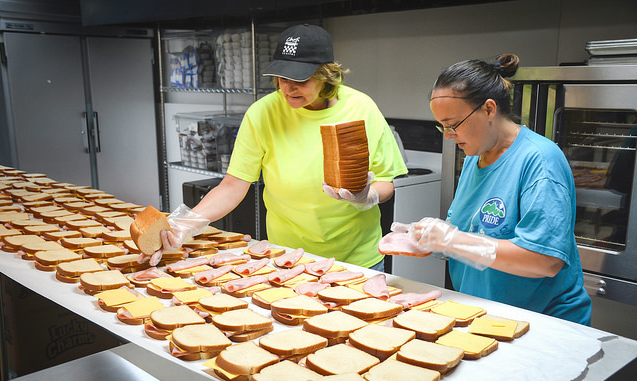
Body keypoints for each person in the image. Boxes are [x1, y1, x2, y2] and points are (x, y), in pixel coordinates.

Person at [143, 24, 407, 271]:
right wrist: (184, 225)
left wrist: (367, 196)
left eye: (300, 80)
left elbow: (386, 181)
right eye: (282, 78)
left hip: (357, 259)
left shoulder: (361, 109)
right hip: (288, 257)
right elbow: (233, 186)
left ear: (326, 75)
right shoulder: (263, 113)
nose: (288, 89)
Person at [401, 54, 591, 325]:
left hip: (541, 322)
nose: (448, 135)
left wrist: (452, 240)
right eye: (441, 126)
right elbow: (476, 234)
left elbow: (545, 261)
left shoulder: (539, 160)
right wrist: (431, 238)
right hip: (485, 314)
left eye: (453, 124)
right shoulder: (474, 157)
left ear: (489, 109)